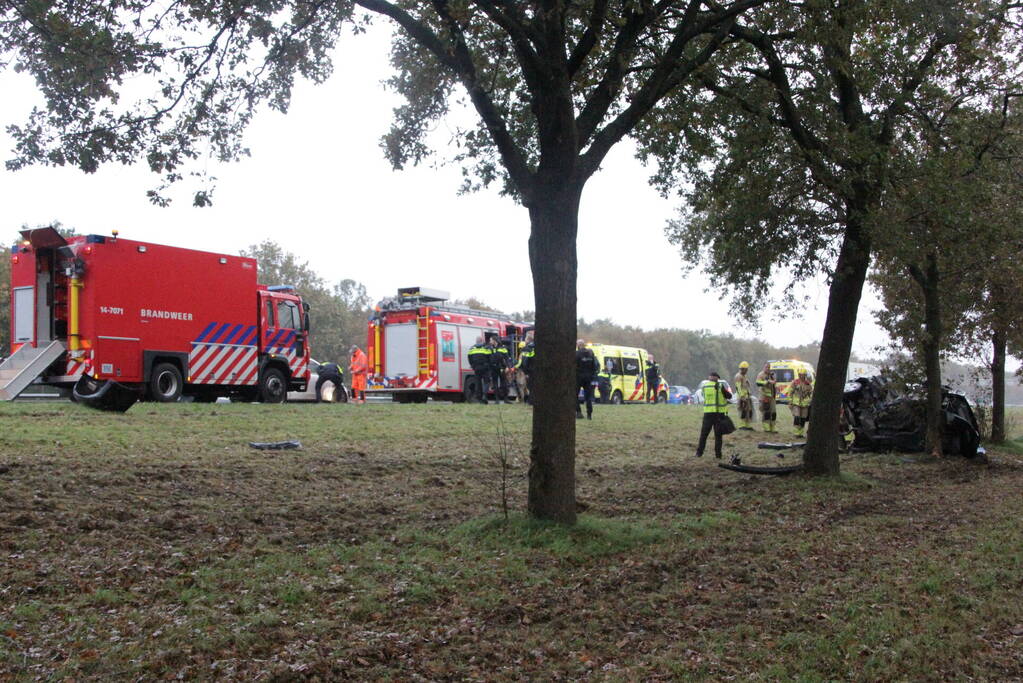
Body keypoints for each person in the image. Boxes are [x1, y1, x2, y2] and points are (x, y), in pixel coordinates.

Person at [695, 371, 733, 458]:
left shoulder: (704, 386)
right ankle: (718, 455)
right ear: (717, 378)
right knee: (718, 436)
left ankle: (699, 453)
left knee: (703, 435)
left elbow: (703, 395)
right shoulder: (720, 386)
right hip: (718, 414)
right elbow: (729, 396)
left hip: (708, 413)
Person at [575, 339, 599, 419]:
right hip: (588, 378)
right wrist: (592, 376)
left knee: (574, 396)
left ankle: (578, 412)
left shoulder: (577, 354)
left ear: (578, 345)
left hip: (578, 378)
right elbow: (594, 366)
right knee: (588, 397)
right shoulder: (591, 354)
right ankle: (589, 414)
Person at [467, 336, 494, 403]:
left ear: (476, 341)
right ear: (482, 341)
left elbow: (469, 358)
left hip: (476, 368)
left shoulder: (472, 349)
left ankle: (479, 398)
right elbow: (491, 358)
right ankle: (484, 396)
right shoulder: (486, 348)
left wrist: (473, 366)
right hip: (485, 368)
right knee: (486, 382)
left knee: (478, 383)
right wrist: (489, 366)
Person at [789, 367, 813, 436]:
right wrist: (790, 402)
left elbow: (810, 394)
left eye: (803, 375)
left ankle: (800, 433)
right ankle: (796, 432)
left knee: (803, 418)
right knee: (797, 417)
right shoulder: (795, 382)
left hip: (805, 405)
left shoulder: (808, 384)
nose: (802, 376)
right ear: (799, 374)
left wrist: (809, 402)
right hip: (796, 403)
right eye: (801, 374)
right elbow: (790, 392)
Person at [755, 362, 778, 433]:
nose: (768, 368)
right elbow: (758, 383)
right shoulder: (761, 374)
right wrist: (767, 382)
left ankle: (773, 427)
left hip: (772, 397)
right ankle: (766, 428)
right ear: (764, 367)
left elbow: (774, 383)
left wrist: (774, 381)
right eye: (766, 367)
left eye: (769, 367)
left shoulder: (771, 375)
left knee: (773, 413)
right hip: (764, 396)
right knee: (766, 412)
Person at [733, 361, 755, 430]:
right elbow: (738, 387)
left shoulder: (744, 376)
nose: (746, 371)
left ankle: (747, 425)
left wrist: (749, 393)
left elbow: (745, 386)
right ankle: (742, 426)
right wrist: (742, 397)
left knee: (748, 411)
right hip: (742, 397)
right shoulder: (738, 376)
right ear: (742, 369)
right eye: (746, 369)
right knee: (743, 411)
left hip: (746, 396)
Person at [492, 337, 513, 403]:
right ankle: (496, 399)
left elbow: (507, 358)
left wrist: (508, 367)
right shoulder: (490, 348)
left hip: (502, 368)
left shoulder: (503, 348)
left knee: (504, 384)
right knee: (495, 384)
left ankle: (506, 399)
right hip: (494, 368)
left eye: (491, 340)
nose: (490, 341)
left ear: (495, 341)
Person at [516, 334, 536, 404]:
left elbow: (524, 361)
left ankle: (531, 401)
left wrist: (525, 372)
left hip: (529, 370)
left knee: (530, 386)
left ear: (528, 340)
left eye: (525, 339)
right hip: (535, 369)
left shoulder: (526, 348)